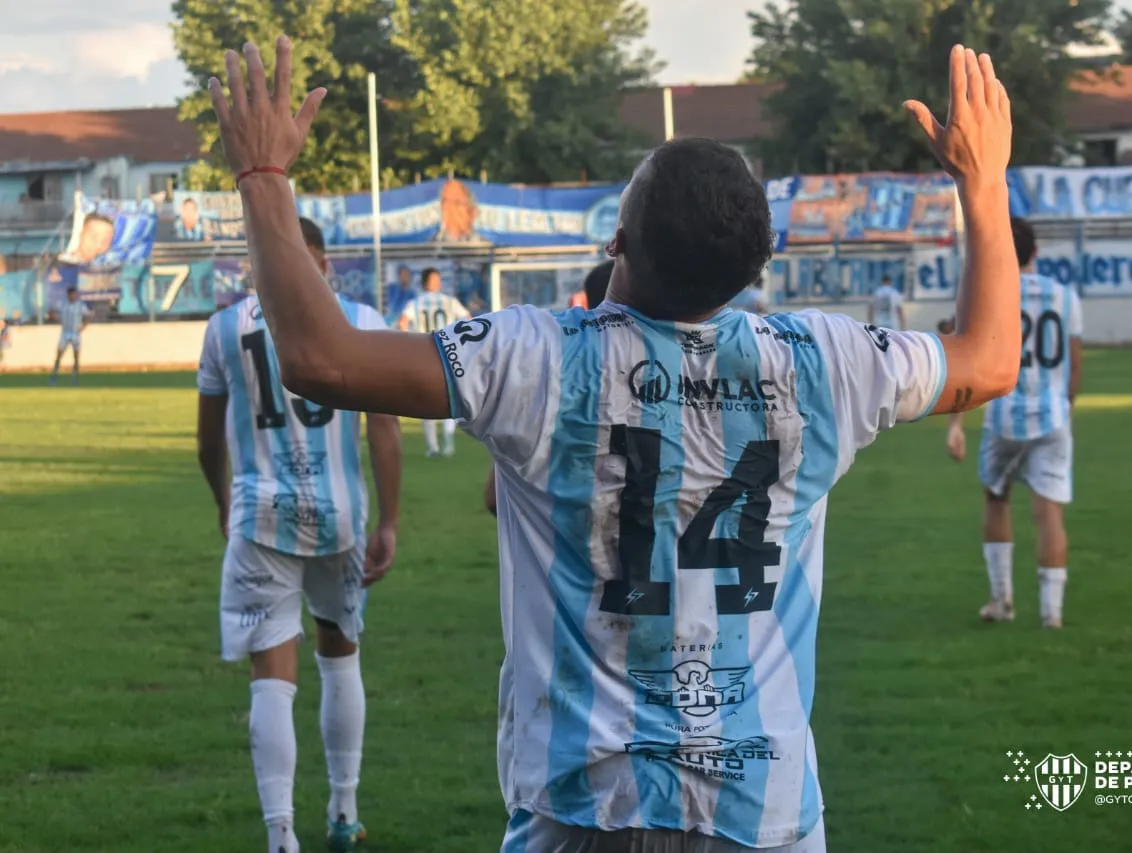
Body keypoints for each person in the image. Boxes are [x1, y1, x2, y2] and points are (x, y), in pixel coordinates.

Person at [210, 38, 1019, 852]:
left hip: (584, 807)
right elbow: (989, 358)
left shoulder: (540, 356)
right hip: (759, 811)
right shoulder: (825, 362)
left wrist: (264, 175)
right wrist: (982, 182)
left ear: (617, 245)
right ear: (755, 264)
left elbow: (320, 360)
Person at [195, 216, 402, 853]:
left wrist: (223, 499)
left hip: (261, 517)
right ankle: (344, 811)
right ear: (322, 263)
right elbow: (384, 430)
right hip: (339, 516)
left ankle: (281, 833)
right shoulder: (362, 321)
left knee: (272, 676)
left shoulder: (224, 327)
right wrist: (389, 520)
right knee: (339, 654)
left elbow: (207, 438)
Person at [943, 217, 1082, 629]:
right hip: (1054, 416)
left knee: (996, 499)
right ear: (1035, 253)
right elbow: (1075, 366)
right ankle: (1051, 614)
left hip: (1003, 414)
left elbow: (969, 363)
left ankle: (1002, 601)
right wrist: (1065, 410)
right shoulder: (1065, 296)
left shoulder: (989, 293)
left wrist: (956, 425)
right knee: (1049, 512)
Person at [484, 259, 615, 515]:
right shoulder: (677, 376)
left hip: (564, 542)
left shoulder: (552, 379)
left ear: (586, 306)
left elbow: (493, 499)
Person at [397, 267, 472, 456]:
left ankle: (433, 447)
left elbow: (402, 323)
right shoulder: (449, 301)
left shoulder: (415, 303)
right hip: (448, 355)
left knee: (426, 400)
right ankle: (448, 443)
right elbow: (468, 320)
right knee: (451, 398)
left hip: (425, 355)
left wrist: (410, 343)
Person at [50, 285, 91, 385]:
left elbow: (88, 316)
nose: (73, 296)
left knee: (76, 356)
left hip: (75, 333)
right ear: (68, 294)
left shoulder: (80, 305)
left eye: (74, 294)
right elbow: (51, 311)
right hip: (65, 333)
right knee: (59, 355)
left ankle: (75, 378)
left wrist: (84, 326)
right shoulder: (62, 303)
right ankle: (54, 376)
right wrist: (57, 318)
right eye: (71, 294)